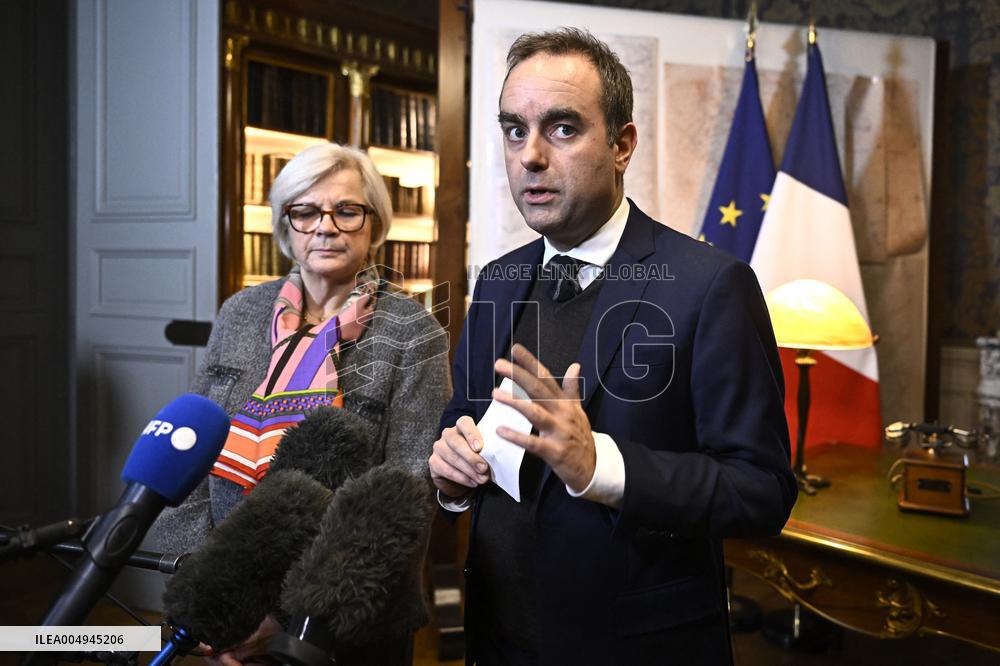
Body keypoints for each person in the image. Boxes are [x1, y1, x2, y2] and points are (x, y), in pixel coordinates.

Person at [428, 28, 797, 665]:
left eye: (563, 129)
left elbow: (761, 490)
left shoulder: (710, 286)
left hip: (638, 646)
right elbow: (460, 422)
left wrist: (600, 465)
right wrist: (451, 473)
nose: (531, 156)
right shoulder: (497, 280)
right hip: (499, 637)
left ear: (622, 144)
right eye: (515, 130)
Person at [154, 142, 451, 664]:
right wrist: (211, 596)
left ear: (374, 224)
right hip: (227, 600)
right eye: (306, 211)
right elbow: (196, 457)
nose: (325, 226)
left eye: (347, 211)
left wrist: (286, 624)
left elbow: (406, 497)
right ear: (285, 225)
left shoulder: (412, 334)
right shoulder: (241, 313)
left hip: (345, 624)